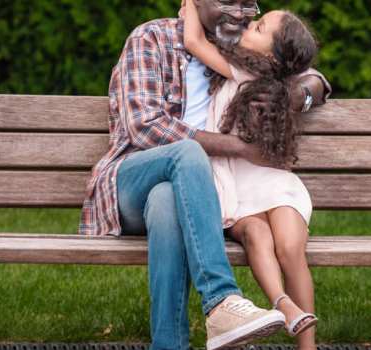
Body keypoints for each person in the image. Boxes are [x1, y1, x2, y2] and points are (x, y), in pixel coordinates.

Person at [78, 0, 330, 349]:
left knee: (167, 200)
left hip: (187, 191)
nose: (240, 13)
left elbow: (303, 68)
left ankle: (169, 345)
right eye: (228, 2)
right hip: (132, 176)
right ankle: (221, 299)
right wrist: (237, 147)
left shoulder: (236, 48)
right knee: (188, 150)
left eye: (246, 5)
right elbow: (143, 128)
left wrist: (299, 92)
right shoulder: (152, 38)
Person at [183, 1, 321, 349]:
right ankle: (282, 304)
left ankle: (307, 345)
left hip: (273, 183)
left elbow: (194, 42)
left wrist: (188, 6)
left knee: (290, 247)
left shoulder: (255, 75)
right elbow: (200, 43)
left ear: (274, 57)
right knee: (260, 235)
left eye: (261, 28)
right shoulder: (241, 67)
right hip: (238, 187)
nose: (252, 23)